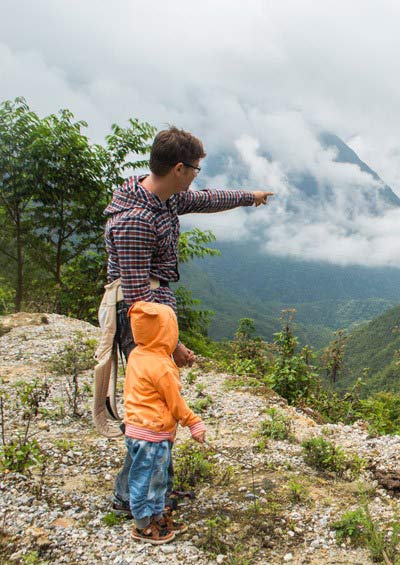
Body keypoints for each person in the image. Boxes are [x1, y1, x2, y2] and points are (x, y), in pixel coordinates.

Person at [104, 127, 273, 515]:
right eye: (195, 168)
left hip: (157, 314)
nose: (198, 175)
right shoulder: (134, 219)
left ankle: (156, 489)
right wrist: (172, 345)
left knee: (162, 407)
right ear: (179, 168)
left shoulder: (163, 200)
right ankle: (130, 497)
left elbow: (206, 199)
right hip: (142, 321)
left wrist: (250, 197)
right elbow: (136, 298)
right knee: (151, 409)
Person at [123, 301, 204, 544]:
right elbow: (175, 402)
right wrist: (194, 423)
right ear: (165, 332)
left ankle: (157, 516)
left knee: (149, 478)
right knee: (149, 481)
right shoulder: (162, 367)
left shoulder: (137, 354)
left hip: (136, 428)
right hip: (152, 433)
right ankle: (143, 525)